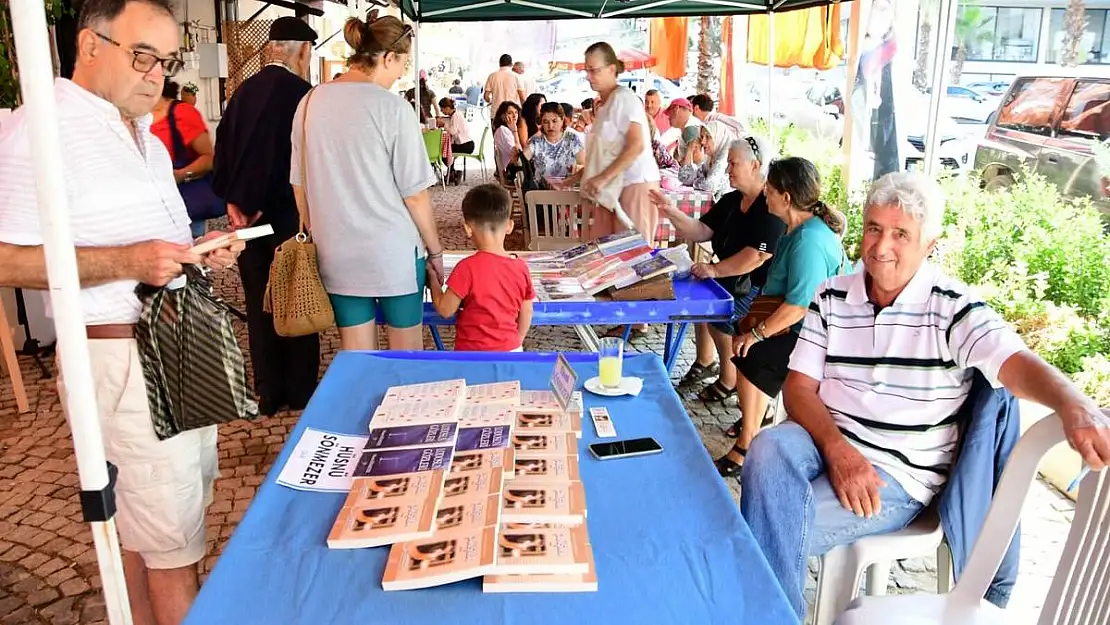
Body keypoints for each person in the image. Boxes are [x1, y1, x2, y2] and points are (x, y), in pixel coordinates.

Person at [741, 172, 1110, 621]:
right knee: (768, 446)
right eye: (874, 228)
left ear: (930, 244)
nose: (881, 247)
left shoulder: (952, 308)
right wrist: (838, 451)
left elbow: (1015, 363)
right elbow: (799, 389)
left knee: (756, 528)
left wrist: (1074, 404)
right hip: (825, 442)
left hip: (896, 473)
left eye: (901, 234)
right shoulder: (832, 296)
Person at [0, 1, 244, 623]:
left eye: (166, 60)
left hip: (176, 339)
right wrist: (127, 261)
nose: (156, 73)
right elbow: (4, 257)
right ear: (89, 46)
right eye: (142, 56)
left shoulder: (144, 134)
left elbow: (150, 247)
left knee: (166, 521)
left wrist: (196, 256)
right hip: (122, 350)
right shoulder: (42, 128)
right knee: (170, 541)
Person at [292, 11, 445, 352]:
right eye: (402, 64)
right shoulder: (393, 109)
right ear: (388, 57)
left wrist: (319, 234)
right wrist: (435, 250)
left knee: (357, 355)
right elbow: (415, 195)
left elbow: (299, 186)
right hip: (394, 253)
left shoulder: (309, 102)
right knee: (405, 356)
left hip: (337, 252)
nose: (401, 73)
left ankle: (364, 406)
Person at [211, 16, 321, 417]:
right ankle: (301, 388)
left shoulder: (241, 93)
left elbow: (223, 151)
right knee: (298, 292)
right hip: (291, 214)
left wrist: (234, 201)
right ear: (303, 51)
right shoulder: (303, 95)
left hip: (249, 219)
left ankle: (268, 390)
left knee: (259, 300)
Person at [715, 156, 849, 477]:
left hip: (811, 333)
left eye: (770, 190)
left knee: (750, 352)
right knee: (742, 339)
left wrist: (757, 333)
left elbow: (799, 306)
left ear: (786, 198)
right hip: (791, 320)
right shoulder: (796, 230)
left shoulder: (810, 241)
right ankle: (752, 422)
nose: (765, 195)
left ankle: (748, 443)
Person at [657, 136, 781, 403]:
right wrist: (670, 211)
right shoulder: (731, 200)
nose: (727, 170)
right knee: (701, 299)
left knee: (721, 314)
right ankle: (705, 361)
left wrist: (714, 270)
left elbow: (756, 257)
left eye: (733, 163)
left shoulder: (769, 204)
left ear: (755, 165)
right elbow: (700, 230)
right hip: (730, 279)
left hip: (758, 286)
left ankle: (730, 378)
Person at [569, 42, 661, 242]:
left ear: (612, 69)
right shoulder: (605, 105)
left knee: (634, 255)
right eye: (587, 70)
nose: (589, 76)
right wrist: (572, 181)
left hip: (635, 184)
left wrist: (602, 178)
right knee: (604, 250)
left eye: (594, 70)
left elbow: (637, 145)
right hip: (610, 191)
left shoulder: (625, 99)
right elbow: (602, 155)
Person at [427, 184, 534, 352]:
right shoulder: (521, 268)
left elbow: (445, 309)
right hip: (511, 351)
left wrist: (433, 280)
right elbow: (526, 311)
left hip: (472, 355)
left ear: (468, 229)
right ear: (509, 226)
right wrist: (516, 342)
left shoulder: (466, 268)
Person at [150, 79, 214, 238]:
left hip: (184, 199)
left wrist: (182, 174)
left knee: (189, 249)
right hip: (145, 206)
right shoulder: (126, 115)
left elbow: (209, 158)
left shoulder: (182, 113)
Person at [522, 102, 585, 189]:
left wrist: (576, 168)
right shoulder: (537, 142)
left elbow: (583, 164)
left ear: (562, 119)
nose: (550, 126)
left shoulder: (572, 139)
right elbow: (522, 160)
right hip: (543, 192)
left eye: (554, 121)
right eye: (545, 122)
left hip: (567, 190)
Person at [677, 121, 734, 201]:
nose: (702, 142)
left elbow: (709, 186)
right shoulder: (709, 159)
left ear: (718, 137)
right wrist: (689, 150)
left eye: (708, 137)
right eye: (702, 136)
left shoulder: (725, 159)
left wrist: (695, 182)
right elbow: (685, 178)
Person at [437, 97, 473, 185]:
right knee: (447, 150)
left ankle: (454, 173)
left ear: (447, 108)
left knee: (443, 152)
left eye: (442, 109)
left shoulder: (455, 116)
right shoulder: (456, 115)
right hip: (466, 144)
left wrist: (444, 125)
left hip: (465, 145)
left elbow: (453, 131)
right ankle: (452, 173)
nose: (442, 111)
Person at [484, 53, 525, 118]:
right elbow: (522, 98)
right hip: (512, 114)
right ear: (511, 64)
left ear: (499, 64)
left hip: (496, 113)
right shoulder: (516, 76)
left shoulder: (492, 76)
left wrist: (491, 101)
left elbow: (486, 96)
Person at [492, 101, 523, 182]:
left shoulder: (504, 129)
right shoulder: (503, 130)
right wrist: (515, 131)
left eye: (516, 112)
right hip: (513, 172)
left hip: (513, 169)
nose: (514, 115)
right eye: (510, 113)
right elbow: (518, 152)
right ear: (503, 116)